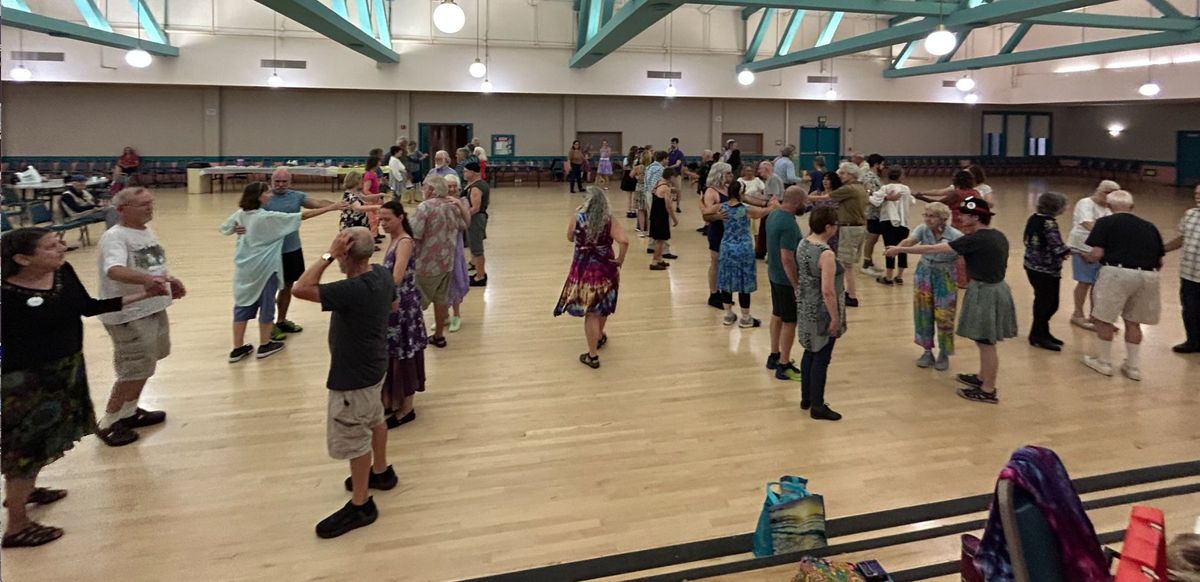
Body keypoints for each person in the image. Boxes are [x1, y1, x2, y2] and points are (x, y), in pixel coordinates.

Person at [1, 228, 166, 548]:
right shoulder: (4, 292)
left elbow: (88, 307)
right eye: (51, 246)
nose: (62, 248)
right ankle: (17, 527)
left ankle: (23, 491)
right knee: (25, 450)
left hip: (64, 370)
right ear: (22, 259)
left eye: (59, 242)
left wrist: (146, 294)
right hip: (21, 382)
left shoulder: (61, 271)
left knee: (41, 443)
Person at [291, 228, 396, 539]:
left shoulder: (354, 289)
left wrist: (328, 255)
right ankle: (382, 472)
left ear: (347, 254)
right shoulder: (382, 274)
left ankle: (361, 504)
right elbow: (392, 306)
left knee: (355, 438)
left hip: (353, 378)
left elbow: (300, 288)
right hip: (376, 365)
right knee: (375, 419)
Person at [888, 197, 1015, 404]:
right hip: (989, 288)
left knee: (986, 342)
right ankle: (982, 377)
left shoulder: (972, 239)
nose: (960, 217)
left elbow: (932, 249)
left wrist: (900, 250)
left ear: (975, 217)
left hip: (986, 291)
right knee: (982, 340)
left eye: (964, 214)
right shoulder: (995, 235)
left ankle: (988, 389)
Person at [95, 187, 186, 446]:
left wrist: (169, 280)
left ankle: (129, 412)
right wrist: (149, 281)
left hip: (152, 307)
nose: (149, 208)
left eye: (151, 203)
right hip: (129, 314)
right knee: (132, 369)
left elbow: (150, 264)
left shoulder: (144, 231)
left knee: (145, 365)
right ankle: (109, 421)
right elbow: (115, 270)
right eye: (142, 204)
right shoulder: (115, 237)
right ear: (121, 209)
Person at [219, 182, 342, 362]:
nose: (271, 194)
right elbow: (302, 216)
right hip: (264, 270)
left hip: (244, 270)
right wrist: (331, 208)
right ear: (260, 196)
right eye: (267, 191)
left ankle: (237, 349)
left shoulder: (240, 215)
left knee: (242, 306)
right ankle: (264, 344)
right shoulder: (267, 218)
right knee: (267, 306)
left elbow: (224, 228)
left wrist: (235, 229)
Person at [1080, 190, 1165, 381]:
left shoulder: (1105, 223)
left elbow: (1097, 254)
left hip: (1116, 273)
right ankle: (1133, 367)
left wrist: (1085, 257)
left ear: (1108, 207)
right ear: (1132, 207)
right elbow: (1160, 260)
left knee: (1104, 319)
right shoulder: (1149, 226)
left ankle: (1104, 362)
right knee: (1133, 321)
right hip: (1148, 275)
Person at [554, 186, 629, 369]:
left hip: (583, 269)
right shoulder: (608, 220)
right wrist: (620, 259)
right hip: (606, 268)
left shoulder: (578, 217)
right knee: (602, 307)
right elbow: (624, 241)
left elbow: (570, 237)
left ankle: (592, 355)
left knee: (591, 312)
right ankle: (600, 335)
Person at [262, 168, 340, 340]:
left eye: (284, 182)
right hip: (269, 252)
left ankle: (281, 320)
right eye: (277, 182)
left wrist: (337, 205)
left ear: (290, 182)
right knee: (269, 289)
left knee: (287, 287)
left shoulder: (296, 196)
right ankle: (268, 325)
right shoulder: (264, 197)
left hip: (292, 250)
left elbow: (317, 203)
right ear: (271, 181)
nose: (280, 185)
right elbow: (246, 211)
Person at [377, 201, 427, 428]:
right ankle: (394, 399)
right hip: (393, 304)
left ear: (400, 217)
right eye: (381, 219)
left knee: (405, 354)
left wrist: (373, 283)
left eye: (387, 219)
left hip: (403, 307)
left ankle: (407, 408)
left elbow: (396, 278)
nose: (383, 223)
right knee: (394, 353)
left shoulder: (405, 242)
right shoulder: (394, 240)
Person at [895, 202, 962, 371]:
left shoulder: (956, 235)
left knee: (944, 314)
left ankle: (944, 353)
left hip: (945, 276)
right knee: (922, 312)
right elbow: (911, 240)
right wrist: (898, 248)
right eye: (926, 215)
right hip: (924, 274)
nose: (927, 219)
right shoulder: (922, 229)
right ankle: (927, 351)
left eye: (932, 216)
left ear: (943, 218)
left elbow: (965, 257)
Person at [795, 206, 845, 421]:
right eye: (835, 225)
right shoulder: (826, 254)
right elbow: (828, 290)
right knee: (822, 357)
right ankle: (818, 405)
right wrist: (835, 318)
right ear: (828, 226)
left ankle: (806, 397)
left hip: (805, 304)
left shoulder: (804, 243)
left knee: (809, 351)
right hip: (821, 310)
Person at [711, 180, 777, 327]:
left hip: (726, 247)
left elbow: (706, 211)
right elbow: (762, 213)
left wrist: (714, 215)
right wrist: (773, 204)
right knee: (743, 283)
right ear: (741, 193)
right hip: (743, 248)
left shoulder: (722, 207)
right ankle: (746, 318)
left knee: (726, 281)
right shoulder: (745, 209)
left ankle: (728, 315)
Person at [411, 175, 467, 347]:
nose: (422, 189)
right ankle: (439, 336)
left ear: (432, 189)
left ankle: (413, 336)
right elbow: (463, 226)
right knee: (441, 299)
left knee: (414, 301)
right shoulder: (452, 206)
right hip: (446, 261)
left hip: (426, 264)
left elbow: (414, 235)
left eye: (425, 187)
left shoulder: (425, 207)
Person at [807, 162, 868, 307]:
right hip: (859, 227)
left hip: (849, 228)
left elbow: (825, 198)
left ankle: (851, 295)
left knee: (847, 265)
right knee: (848, 263)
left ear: (851, 174)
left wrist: (806, 197)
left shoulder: (848, 189)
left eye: (842, 173)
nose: (839, 176)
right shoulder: (861, 187)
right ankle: (847, 292)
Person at [764, 186, 807, 380]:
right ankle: (784, 364)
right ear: (797, 202)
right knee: (790, 321)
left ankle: (774, 355)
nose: (806, 206)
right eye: (804, 202)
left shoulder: (773, 215)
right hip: (785, 279)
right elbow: (787, 258)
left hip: (773, 274)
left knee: (777, 314)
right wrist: (796, 284)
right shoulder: (789, 224)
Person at [1067, 180, 1120, 330]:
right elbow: (1086, 223)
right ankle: (1077, 314)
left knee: (1099, 285)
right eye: (1107, 193)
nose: (1109, 198)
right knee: (1085, 282)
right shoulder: (1085, 203)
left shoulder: (1110, 208)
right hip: (1082, 248)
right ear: (1099, 191)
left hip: (1102, 250)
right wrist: (1106, 234)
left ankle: (1095, 316)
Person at [1023, 192, 1071, 351]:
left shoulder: (1034, 218)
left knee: (1045, 302)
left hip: (1032, 266)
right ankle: (1037, 334)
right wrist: (1079, 252)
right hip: (1046, 269)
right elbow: (1057, 247)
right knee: (1048, 303)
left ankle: (1042, 331)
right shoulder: (1049, 223)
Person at [1164, 184, 1200, 353]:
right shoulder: (1190, 214)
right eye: (1196, 194)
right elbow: (1182, 238)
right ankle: (1193, 341)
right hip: (1189, 273)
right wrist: (1161, 249)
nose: (1197, 197)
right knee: (1190, 309)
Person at [869, 165, 914, 285]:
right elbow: (911, 201)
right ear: (901, 176)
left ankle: (888, 277)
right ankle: (899, 276)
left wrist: (869, 194)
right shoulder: (906, 189)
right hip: (903, 222)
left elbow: (874, 201)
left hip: (887, 221)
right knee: (902, 248)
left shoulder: (885, 188)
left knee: (889, 248)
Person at [702, 162, 734, 308]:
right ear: (720, 174)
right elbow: (706, 216)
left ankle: (725, 292)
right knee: (716, 262)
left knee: (727, 263)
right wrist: (718, 217)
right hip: (717, 231)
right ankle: (713, 294)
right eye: (728, 173)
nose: (731, 176)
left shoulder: (728, 189)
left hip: (730, 231)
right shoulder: (711, 192)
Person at [443, 175, 472, 333]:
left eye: (455, 186)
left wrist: (459, 205)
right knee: (442, 282)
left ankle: (456, 315)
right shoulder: (439, 201)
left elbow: (467, 222)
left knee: (455, 278)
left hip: (455, 246)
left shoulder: (463, 201)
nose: (452, 189)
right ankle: (444, 316)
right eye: (449, 186)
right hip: (440, 248)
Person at [644, 151, 676, 259]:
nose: (668, 161)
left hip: (648, 195)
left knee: (652, 221)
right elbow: (658, 186)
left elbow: (648, 184)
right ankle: (665, 250)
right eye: (667, 159)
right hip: (657, 197)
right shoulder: (660, 170)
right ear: (663, 159)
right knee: (663, 223)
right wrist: (669, 190)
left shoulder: (649, 167)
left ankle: (651, 245)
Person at [463, 162, 490, 287]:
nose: (464, 174)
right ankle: (479, 272)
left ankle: (480, 276)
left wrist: (463, 215)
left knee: (477, 248)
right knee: (474, 246)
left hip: (475, 219)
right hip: (479, 218)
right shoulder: (482, 184)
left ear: (472, 172)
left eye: (465, 171)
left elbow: (475, 207)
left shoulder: (475, 187)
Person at [860, 154, 887, 277]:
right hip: (872, 212)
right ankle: (865, 264)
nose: (883, 167)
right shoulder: (869, 177)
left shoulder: (875, 176)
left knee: (875, 238)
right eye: (882, 164)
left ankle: (870, 262)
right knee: (871, 238)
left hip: (877, 212)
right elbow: (872, 193)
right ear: (876, 164)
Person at [648, 167, 679, 270]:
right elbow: (668, 206)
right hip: (661, 216)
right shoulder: (665, 188)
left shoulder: (658, 183)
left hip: (655, 214)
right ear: (671, 177)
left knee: (658, 239)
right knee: (660, 240)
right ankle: (654, 262)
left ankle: (659, 259)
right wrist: (674, 219)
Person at [620, 145, 639, 219]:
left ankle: (628, 211)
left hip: (627, 176)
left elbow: (624, 167)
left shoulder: (625, 159)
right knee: (634, 196)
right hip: (634, 177)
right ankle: (634, 211)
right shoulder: (637, 160)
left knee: (629, 196)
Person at [667, 138, 685, 212]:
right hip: (669, 175)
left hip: (676, 174)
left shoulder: (680, 153)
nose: (672, 144)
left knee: (678, 190)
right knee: (668, 190)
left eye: (674, 143)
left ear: (677, 143)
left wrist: (669, 167)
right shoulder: (669, 153)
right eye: (671, 143)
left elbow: (677, 164)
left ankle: (678, 206)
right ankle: (669, 205)